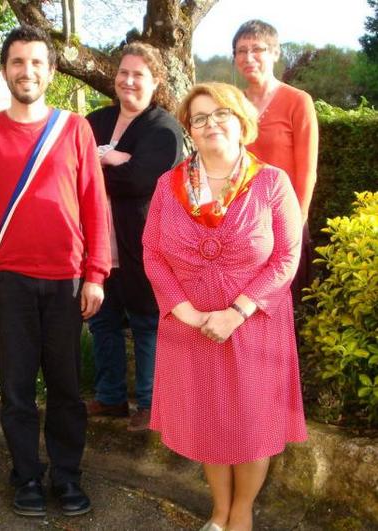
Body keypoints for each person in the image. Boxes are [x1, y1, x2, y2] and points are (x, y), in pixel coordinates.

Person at [0, 25, 110, 518]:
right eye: (18, 62)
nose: (27, 71)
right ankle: (25, 475)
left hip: (66, 281)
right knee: (17, 390)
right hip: (7, 284)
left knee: (66, 388)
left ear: (51, 70)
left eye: (37, 62)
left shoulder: (76, 129)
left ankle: (66, 477)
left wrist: (96, 273)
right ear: (5, 70)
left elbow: (94, 204)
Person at [143, 82, 307, 531]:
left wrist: (238, 310)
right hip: (191, 328)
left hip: (254, 325)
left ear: (241, 122)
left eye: (220, 114)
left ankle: (241, 513)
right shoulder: (168, 185)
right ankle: (218, 510)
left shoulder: (272, 182)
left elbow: (286, 257)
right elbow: (152, 254)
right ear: (189, 132)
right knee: (209, 422)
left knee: (253, 426)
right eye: (199, 118)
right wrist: (185, 311)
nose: (210, 123)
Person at [84, 42, 184, 430]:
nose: (128, 81)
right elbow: (75, 172)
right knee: (102, 321)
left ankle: (150, 403)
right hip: (98, 243)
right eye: (123, 73)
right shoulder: (94, 121)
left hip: (144, 243)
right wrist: (116, 161)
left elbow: (144, 180)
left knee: (147, 322)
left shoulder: (163, 127)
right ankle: (110, 398)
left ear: (155, 80)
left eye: (138, 74)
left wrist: (102, 162)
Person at [232, 19, 318, 302]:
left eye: (258, 49)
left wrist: (296, 225)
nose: (249, 57)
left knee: (280, 305)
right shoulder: (232, 104)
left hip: (283, 220)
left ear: (275, 53)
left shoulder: (298, 101)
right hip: (239, 223)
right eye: (241, 50)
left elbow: (307, 172)